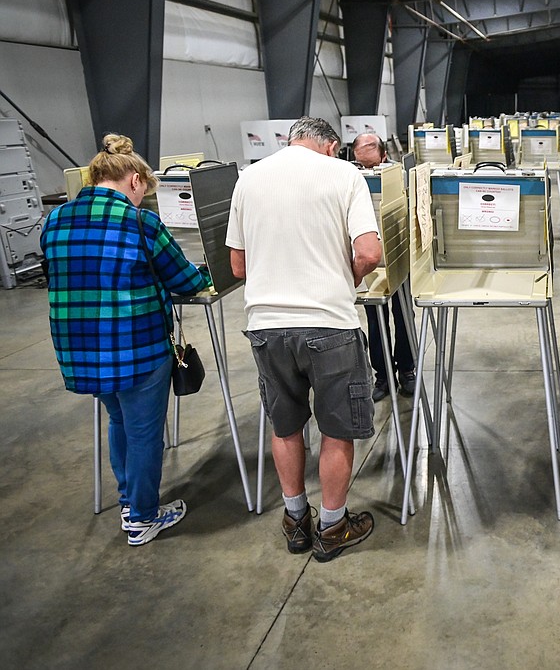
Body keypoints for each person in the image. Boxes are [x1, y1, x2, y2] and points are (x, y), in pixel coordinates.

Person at [42, 134, 210, 545]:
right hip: (135, 347)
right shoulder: (140, 222)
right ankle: (144, 518)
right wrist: (211, 272)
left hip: (77, 348)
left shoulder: (55, 220)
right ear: (134, 181)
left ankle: (129, 502)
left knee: (119, 421)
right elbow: (184, 279)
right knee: (145, 432)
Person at [227, 116, 380, 563]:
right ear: (331, 147)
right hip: (328, 321)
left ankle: (296, 521)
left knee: (285, 424)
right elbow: (369, 253)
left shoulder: (248, 178)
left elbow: (238, 267)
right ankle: (332, 528)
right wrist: (340, 279)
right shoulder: (345, 174)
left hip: (266, 325)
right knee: (337, 428)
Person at [351, 133, 417, 401]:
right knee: (376, 321)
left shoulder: (398, 177)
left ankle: (407, 370)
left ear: (383, 156)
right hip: (368, 259)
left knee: (404, 316)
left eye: (371, 163)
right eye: (361, 164)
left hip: (398, 255)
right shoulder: (350, 180)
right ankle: (383, 374)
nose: (367, 170)